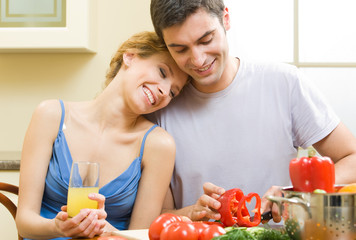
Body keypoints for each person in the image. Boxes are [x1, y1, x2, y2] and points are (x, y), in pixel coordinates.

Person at [147, 0, 356, 223]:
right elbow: (155, 218)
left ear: (225, 19)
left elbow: (351, 159)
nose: (198, 60)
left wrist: (296, 193)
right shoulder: (161, 107)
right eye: (180, 49)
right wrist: (190, 213)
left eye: (206, 40)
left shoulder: (283, 83)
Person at [16, 31, 189, 239]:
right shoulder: (51, 115)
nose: (164, 91)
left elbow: (140, 236)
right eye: (162, 72)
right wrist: (57, 227)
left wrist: (110, 232)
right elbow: (24, 222)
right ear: (130, 57)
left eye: (173, 92)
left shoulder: (158, 145)